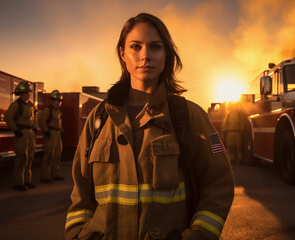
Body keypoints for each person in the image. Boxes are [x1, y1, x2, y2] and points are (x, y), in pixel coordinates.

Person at [65, 13, 234, 240]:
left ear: (167, 55)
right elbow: (81, 192)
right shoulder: (100, 118)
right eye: (136, 46)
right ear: (123, 54)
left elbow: (218, 183)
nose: (145, 55)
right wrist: (77, 234)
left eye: (155, 47)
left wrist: (199, 235)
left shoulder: (190, 116)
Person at [5, 81, 37, 191]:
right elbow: (8, 118)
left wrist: (35, 128)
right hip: (21, 133)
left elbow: (34, 118)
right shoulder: (16, 105)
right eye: (25, 92)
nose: (27, 94)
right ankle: (18, 182)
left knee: (30, 157)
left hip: (30, 133)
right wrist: (15, 130)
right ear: (20, 94)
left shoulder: (31, 105)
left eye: (28, 92)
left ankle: (27, 180)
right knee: (22, 157)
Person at [39, 90, 65, 183]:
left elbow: (60, 124)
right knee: (48, 155)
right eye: (57, 101)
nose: (59, 103)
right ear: (52, 101)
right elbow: (41, 121)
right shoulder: (47, 110)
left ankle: (55, 174)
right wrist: (46, 131)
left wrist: (62, 132)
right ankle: (45, 176)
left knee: (57, 155)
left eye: (60, 101)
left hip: (57, 135)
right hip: (51, 134)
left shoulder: (59, 112)